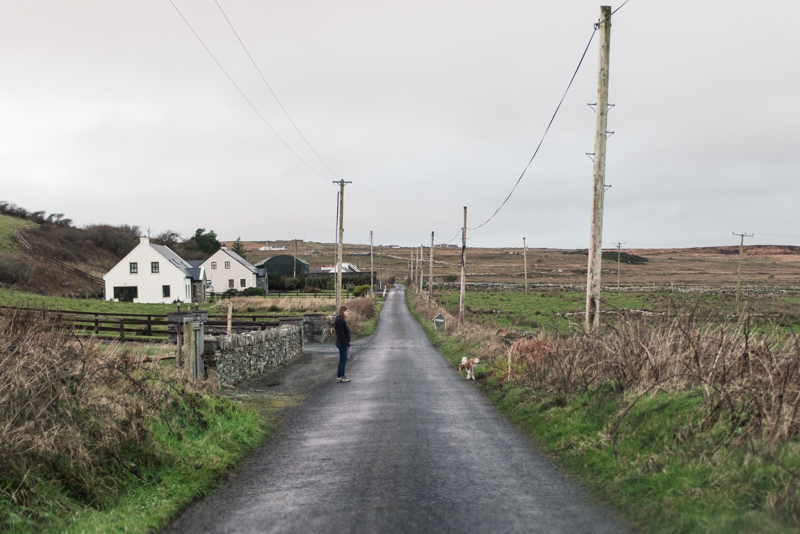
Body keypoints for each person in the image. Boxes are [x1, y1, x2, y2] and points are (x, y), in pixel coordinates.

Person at [334, 305, 351, 383]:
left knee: (343, 360)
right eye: (346, 311)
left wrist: (348, 343)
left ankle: (341, 376)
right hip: (342, 343)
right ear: (343, 311)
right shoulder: (340, 321)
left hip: (343, 343)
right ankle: (340, 377)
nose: (348, 313)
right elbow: (341, 334)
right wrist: (345, 344)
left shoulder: (340, 319)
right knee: (343, 360)